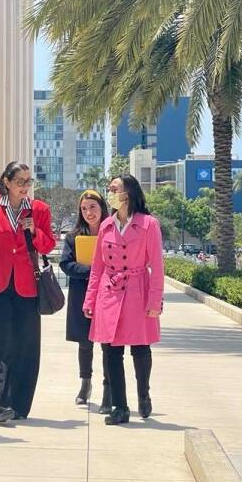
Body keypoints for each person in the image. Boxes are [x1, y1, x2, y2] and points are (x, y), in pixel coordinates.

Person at [0, 161, 56, 423]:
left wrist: (34, 230)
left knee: (26, 345)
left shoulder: (39, 209)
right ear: (7, 182)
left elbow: (47, 245)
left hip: (27, 286)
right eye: (19, 181)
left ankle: (20, 405)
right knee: (0, 344)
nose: (25, 187)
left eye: (28, 182)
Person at [82, 174, 164, 425]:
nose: (110, 193)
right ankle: (120, 406)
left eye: (113, 189)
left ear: (127, 193)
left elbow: (158, 266)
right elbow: (97, 267)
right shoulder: (107, 225)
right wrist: (90, 299)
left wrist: (155, 302)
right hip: (109, 292)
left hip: (137, 290)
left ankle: (143, 395)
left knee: (140, 348)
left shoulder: (149, 224)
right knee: (110, 350)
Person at [59, 189, 110, 409]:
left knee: (109, 343)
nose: (89, 212)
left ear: (102, 208)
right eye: (84, 208)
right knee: (84, 341)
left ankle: (110, 385)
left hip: (109, 293)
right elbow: (65, 264)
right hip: (82, 292)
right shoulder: (73, 236)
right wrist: (92, 271)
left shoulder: (113, 232)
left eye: (93, 207)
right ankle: (85, 382)